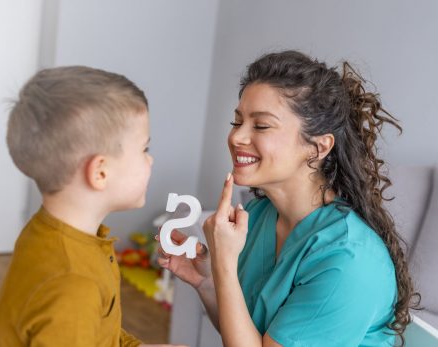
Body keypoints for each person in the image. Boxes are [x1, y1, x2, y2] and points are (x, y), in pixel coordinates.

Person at [158, 51, 420, 347]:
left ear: (318, 147)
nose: (236, 137)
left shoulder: (347, 260)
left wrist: (225, 264)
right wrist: (207, 282)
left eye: (261, 125)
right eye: (237, 121)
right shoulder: (259, 215)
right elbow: (247, 336)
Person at [0, 66, 185, 347]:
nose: (150, 161)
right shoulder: (72, 284)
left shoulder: (50, 233)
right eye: (145, 150)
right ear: (100, 172)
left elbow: (97, 334)